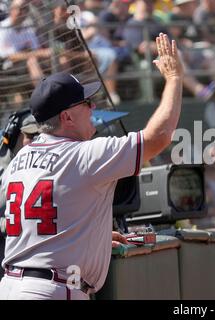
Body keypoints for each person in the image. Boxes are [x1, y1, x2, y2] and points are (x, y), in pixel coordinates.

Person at [0, 33, 183, 300]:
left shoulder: (20, 159)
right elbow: (159, 136)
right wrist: (174, 78)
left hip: (13, 286)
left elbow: (39, 223)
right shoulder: (84, 155)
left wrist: (85, 237)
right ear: (67, 117)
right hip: (51, 291)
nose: (93, 106)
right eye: (85, 102)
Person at [0, 110, 40, 280]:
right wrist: (11, 223)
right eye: (30, 135)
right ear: (14, 137)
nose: (35, 141)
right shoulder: (5, 173)